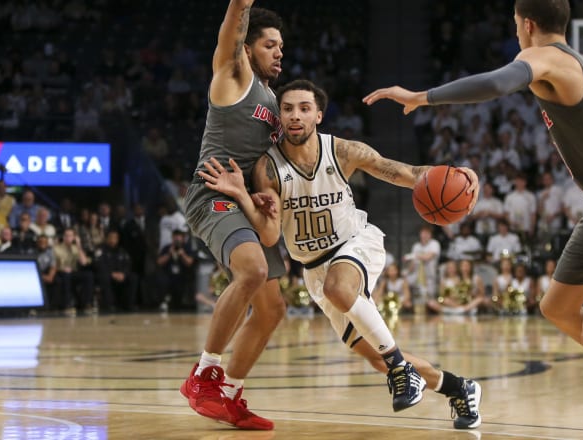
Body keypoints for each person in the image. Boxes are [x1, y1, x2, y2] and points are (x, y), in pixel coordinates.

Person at [363, 1, 583, 437]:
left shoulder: (544, 56)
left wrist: (423, 96)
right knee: (557, 307)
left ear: (527, 25)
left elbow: (496, 83)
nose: (516, 34)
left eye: (515, 25)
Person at [199, 79, 482, 429]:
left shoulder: (344, 151)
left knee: (345, 295)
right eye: (287, 109)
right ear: (279, 117)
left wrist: (457, 174)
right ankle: (459, 388)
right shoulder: (267, 168)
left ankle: (400, 369)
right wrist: (243, 195)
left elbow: (408, 174)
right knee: (376, 357)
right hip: (313, 270)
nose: (295, 116)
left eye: (304, 108)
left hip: (356, 244)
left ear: (318, 115)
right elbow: (270, 235)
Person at [179, 0, 286, 431]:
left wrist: (261, 195)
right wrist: (241, 6)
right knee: (252, 270)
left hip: (243, 200)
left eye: (282, 46)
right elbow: (232, 31)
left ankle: (229, 394)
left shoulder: (273, 99)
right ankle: (204, 374)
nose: (279, 52)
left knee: (272, 309)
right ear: (248, 48)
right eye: (270, 45)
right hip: (212, 192)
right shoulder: (233, 75)